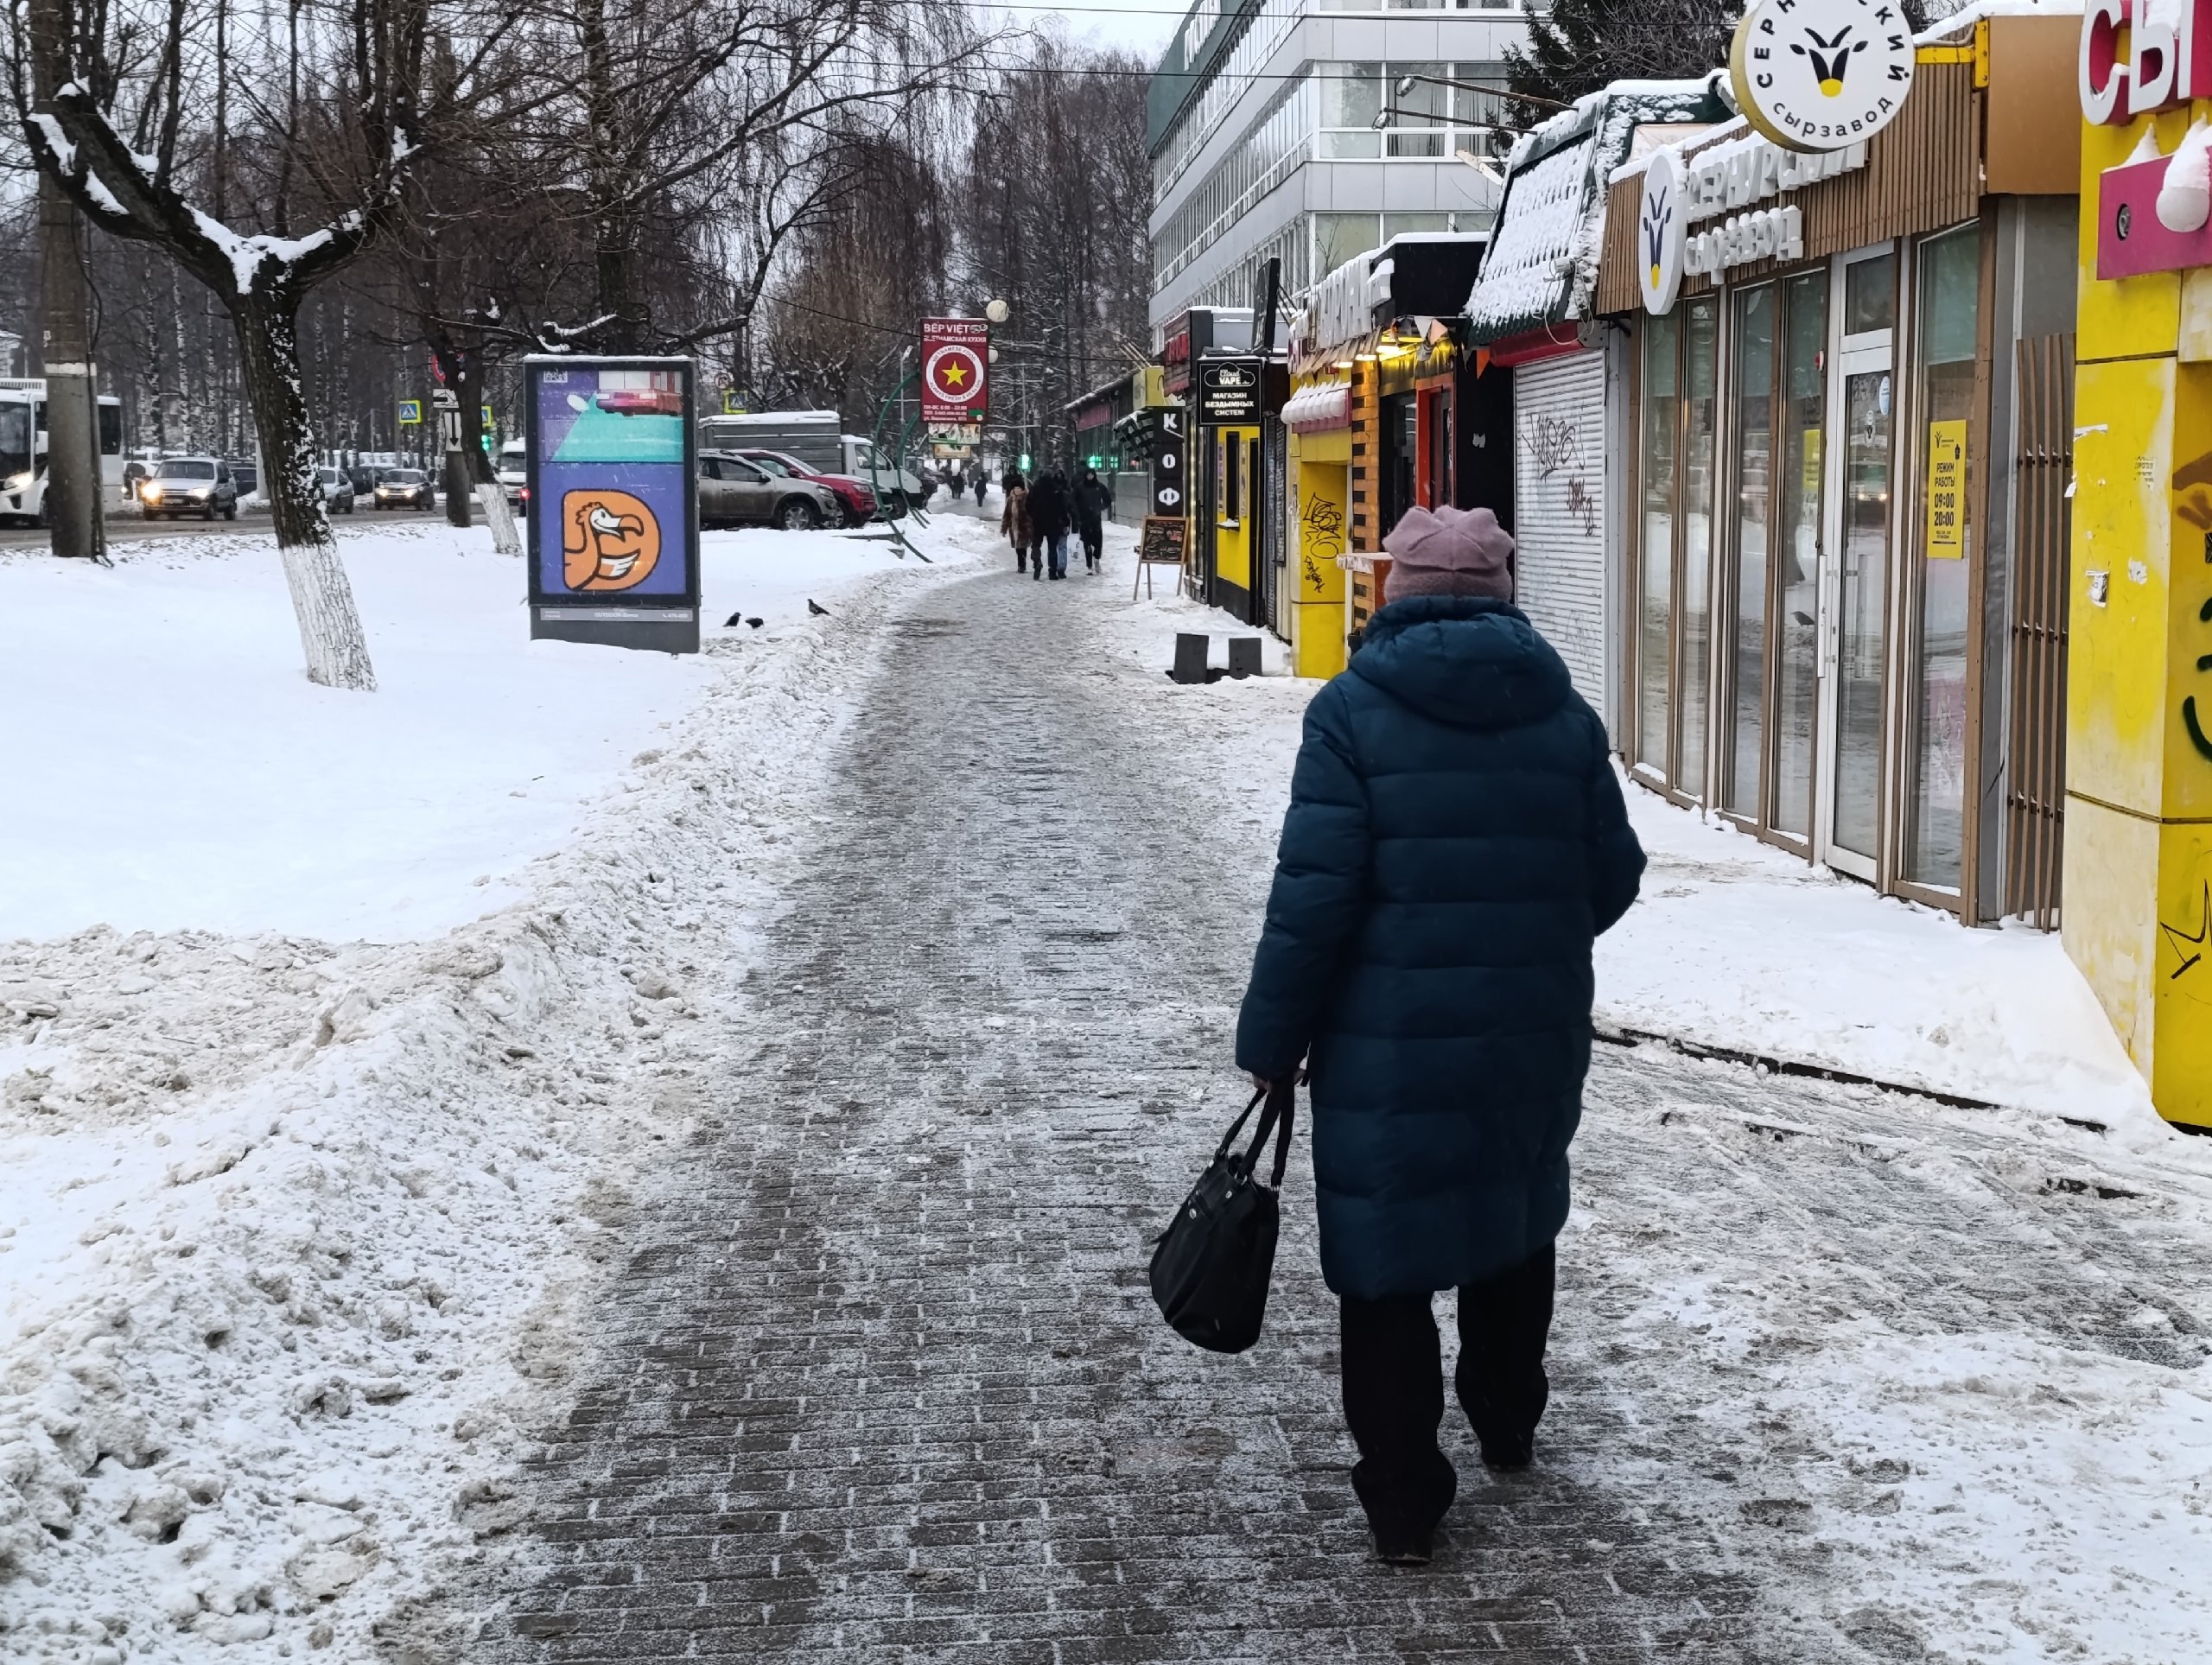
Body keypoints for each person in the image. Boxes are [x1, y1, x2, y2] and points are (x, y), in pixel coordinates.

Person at [1233, 503, 1645, 1567]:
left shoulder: (1350, 714)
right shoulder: (1564, 716)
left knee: (1385, 1264)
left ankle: (1405, 1499)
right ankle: (1508, 1417)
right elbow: (1614, 876)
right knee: (1512, 1216)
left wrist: (1272, 1037)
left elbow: (1312, 899)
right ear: (1506, 595)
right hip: (1529, 1032)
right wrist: (1529, 946)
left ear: (1392, 595)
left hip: (1386, 1041)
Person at [1027, 467, 1074, 581]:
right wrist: (1066, 521)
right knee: (1052, 548)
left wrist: (1033, 515)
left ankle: (1037, 562)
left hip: (1038, 522)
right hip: (1053, 523)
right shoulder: (1056, 489)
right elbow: (1062, 507)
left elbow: (1028, 505)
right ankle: (1052, 571)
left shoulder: (1035, 488)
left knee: (1036, 545)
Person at [999, 469, 1037, 575]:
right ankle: (1021, 564)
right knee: (1018, 547)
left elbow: (1032, 512)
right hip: (1014, 526)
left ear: (1022, 489)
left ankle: (1022, 565)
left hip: (1024, 526)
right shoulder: (1011, 499)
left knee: (1022, 546)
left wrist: (1031, 523)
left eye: (1018, 488)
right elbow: (1006, 514)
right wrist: (1004, 528)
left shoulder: (1027, 498)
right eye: (1015, 488)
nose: (1017, 490)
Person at [1074, 467, 1110, 574]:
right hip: (1084, 519)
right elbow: (1073, 500)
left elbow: (1107, 499)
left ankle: (1096, 558)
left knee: (1098, 542)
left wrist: (1101, 507)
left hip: (1096, 519)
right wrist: (1078, 512)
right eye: (1088, 475)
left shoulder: (1099, 487)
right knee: (1087, 543)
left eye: (1092, 475)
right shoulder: (1080, 488)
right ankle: (1089, 565)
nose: (1090, 477)